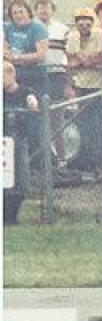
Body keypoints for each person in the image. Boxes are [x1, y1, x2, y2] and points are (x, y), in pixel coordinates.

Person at [64, 8, 102, 171]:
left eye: (87, 23)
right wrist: (86, 60)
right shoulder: (72, 37)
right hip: (81, 85)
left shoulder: (100, 35)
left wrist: (82, 60)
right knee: (82, 123)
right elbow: (71, 61)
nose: (84, 27)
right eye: (80, 24)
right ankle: (83, 161)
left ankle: (97, 161)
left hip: (100, 85)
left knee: (98, 123)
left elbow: (101, 57)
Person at [4, 59, 39, 223]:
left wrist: (32, 102)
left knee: (21, 180)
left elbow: (33, 101)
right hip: (3, 142)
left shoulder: (25, 91)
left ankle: (12, 215)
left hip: (20, 140)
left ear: (11, 75)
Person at [4, 0, 48, 98]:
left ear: (28, 12)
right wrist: (6, 53)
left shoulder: (38, 27)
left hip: (34, 74)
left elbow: (41, 56)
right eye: (15, 13)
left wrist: (17, 57)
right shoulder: (9, 27)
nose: (18, 15)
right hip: (14, 73)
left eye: (21, 11)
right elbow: (4, 47)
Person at [33, 0, 67, 100]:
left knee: (57, 103)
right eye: (41, 8)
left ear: (53, 11)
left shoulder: (63, 29)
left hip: (56, 72)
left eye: (47, 8)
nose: (44, 11)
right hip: (35, 73)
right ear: (35, 11)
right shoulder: (29, 28)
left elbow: (68, 52)